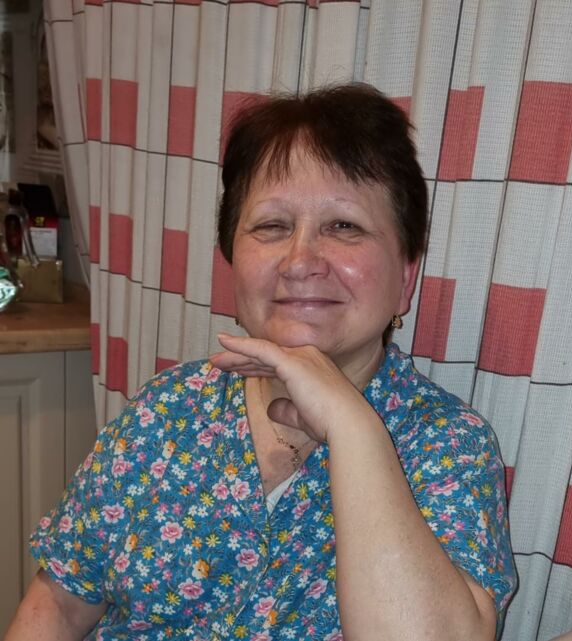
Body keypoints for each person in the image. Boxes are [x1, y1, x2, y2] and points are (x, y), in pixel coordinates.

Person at [4, 83, 517, 641]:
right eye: (272, 226)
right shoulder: (167, 408)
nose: (300, 260)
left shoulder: (448, 445)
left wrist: (351, 425)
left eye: (344, 226)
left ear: (406, 280)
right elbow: (59, 603)